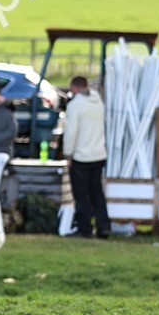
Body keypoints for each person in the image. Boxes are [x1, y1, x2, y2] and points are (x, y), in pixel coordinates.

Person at [62, 75, 111, 239]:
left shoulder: (75, 105)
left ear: (74, 88)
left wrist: (67, 153)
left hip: (81, 156)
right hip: (99, 154)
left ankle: (84, 228)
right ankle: (104, 226)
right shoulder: (98, 102)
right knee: (97, 192)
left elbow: (71, 132)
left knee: (82, 195)